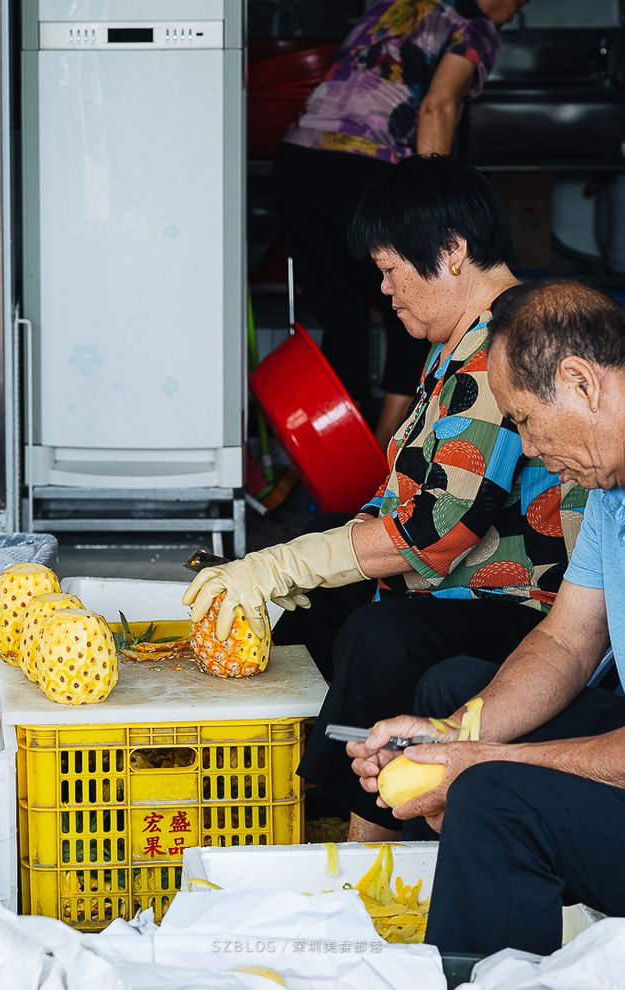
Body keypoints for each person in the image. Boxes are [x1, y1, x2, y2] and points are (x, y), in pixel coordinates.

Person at [185, 156, 585, 839]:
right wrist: (297, 562)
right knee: (318, 603)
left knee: (380, 633)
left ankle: (366, 839)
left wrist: (284, 563)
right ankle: (290, 795)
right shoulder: (457, 341)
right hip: (461, 589)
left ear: (453, 250)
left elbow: (433, 528)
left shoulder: (508, 346)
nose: (383, 288)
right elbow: (402, 494)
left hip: (524, 609)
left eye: (391, 267)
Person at [347, 281, 625, 957]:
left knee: (494, 799)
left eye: (526, 421)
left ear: (582, 383)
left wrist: (479, 761)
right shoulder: (609, 489)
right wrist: (448, 736)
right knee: (456, 696)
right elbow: (566, 637)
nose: (527, 450)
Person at [274, 0, 528, 449]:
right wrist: (436, 199)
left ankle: (341, 456)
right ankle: (385, 452)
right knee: (416, 306)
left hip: (296, 162)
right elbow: (437, 107)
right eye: (519, 4)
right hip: (364, 164)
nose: (514, 14)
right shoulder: (475, 24)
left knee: (342, 316)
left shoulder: (398, 3)